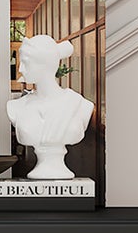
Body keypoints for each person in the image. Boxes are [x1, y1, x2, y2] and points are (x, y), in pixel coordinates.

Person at [6, 34, 93, 180]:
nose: (20, 69)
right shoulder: (16, 107)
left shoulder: (80, 105)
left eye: (26, 63)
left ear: (44, 64)